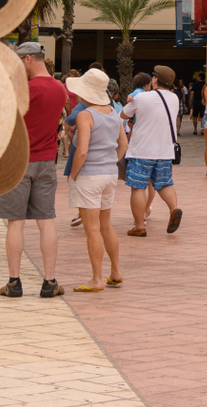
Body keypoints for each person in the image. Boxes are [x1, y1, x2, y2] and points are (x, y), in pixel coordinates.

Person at [0, 42, 68, 298]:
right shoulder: (60, 89)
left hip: (17, 162)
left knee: (15, 223)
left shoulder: (25, 89)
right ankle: (50, 282)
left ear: (27, 60)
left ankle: (14, 283)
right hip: (46, 162)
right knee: (46, 222)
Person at [65, 68, 123, 292]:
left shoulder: (84, 115)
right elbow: (124, 145)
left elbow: (82, 151)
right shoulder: (112, 112)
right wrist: (110, 162)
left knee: (92, 229)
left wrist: (74, 174)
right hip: (109, 173)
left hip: (90, 174)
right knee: (106, 225)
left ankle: (97, 278)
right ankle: (115, 271)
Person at [120, 65, 184, 237]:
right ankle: (174, 209)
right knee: (164, 183)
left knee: (138, 187)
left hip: (141, 150)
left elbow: (124, 115)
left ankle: (140, 226)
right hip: (164, 150)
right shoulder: (174, 99)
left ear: (155, 79)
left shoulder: (141, 98)